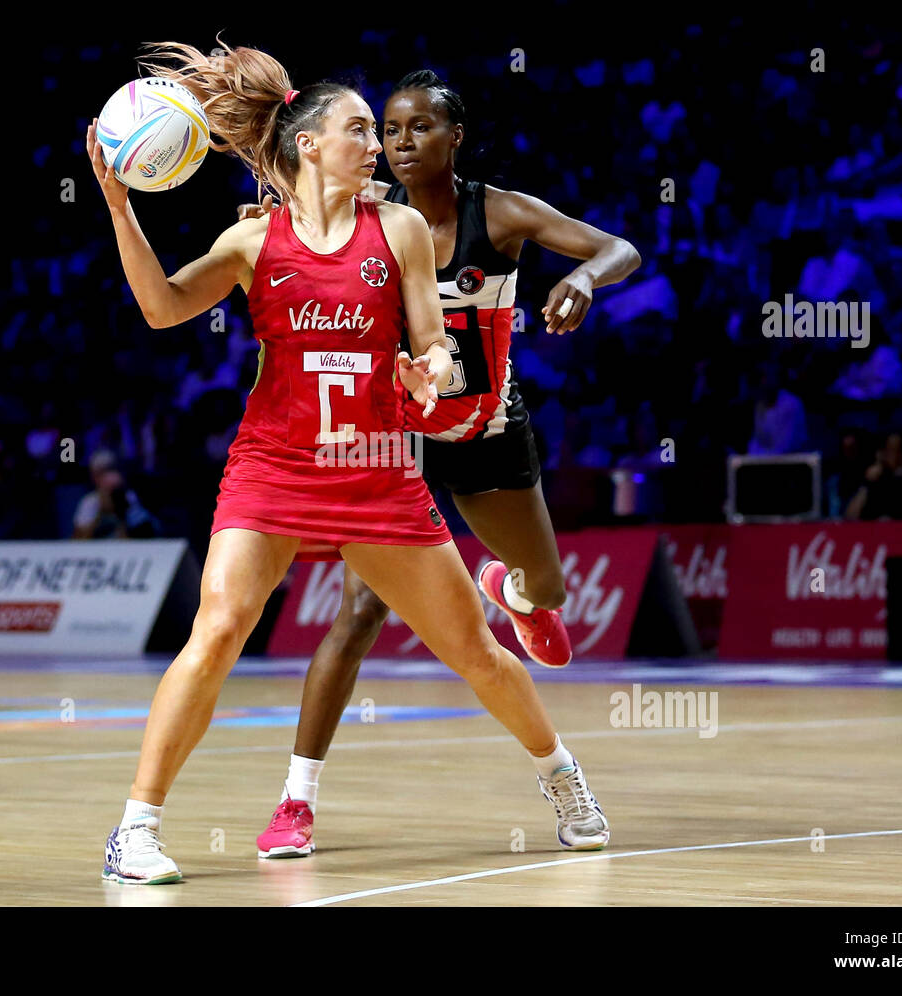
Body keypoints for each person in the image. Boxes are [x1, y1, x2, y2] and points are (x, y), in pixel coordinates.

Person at [87, 41, 609, 885]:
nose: (378, 146)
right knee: (216, 630)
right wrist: (119, 206)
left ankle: (565, 780)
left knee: (475, 651)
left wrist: (426, 375)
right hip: (274, 469)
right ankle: (135, 829)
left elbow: (438, 347)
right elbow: (160, 306)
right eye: (360, 129)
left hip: (377, 470)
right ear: (308, 145)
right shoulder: (253, 240)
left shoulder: (397, 229)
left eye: (378, 131)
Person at [240, 70, 639, 858]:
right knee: (356, 616)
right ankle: (295, 801)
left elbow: (619, 246)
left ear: (454, 138)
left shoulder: (502, 212)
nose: (399, 142)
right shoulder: (362, 218)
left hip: (488, 430)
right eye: (388, 130)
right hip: (396, 443)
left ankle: (505, 586)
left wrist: (585, 277)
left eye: (419, 128)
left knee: (552, 595)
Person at [71, 449, 156, 539]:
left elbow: (144, 534)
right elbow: (79, 540)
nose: (109, 476)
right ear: (94, 476)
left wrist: (120, 512)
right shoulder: (89, 502)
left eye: (111, 469)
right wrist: (101, 512)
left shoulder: (129, 497)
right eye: (102, 472)